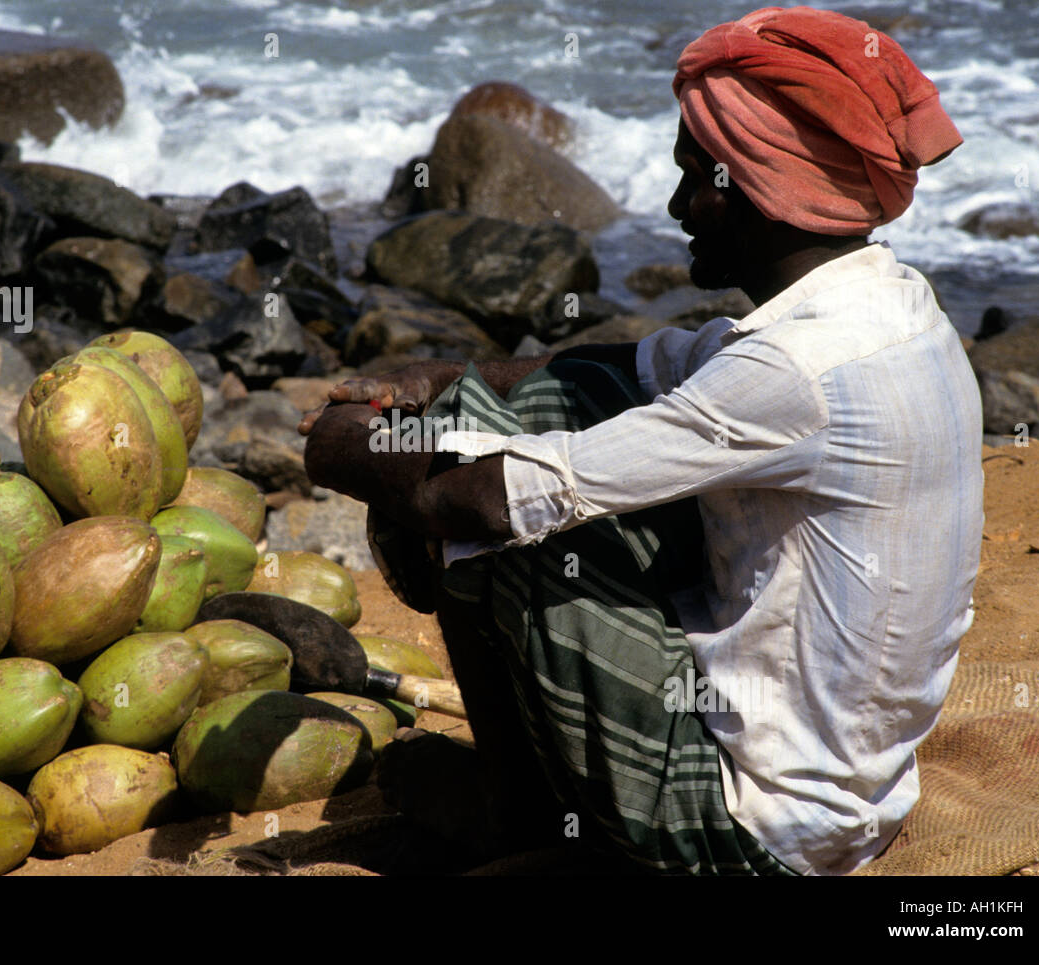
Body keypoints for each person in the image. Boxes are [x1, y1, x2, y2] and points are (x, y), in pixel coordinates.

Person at [298, 6, 983, 875]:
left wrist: (341, 446)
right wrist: (439, 379)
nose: (674, 206)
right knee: (555, 406)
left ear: (758, 185)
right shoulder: (893, 309)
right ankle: (544, 792)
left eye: (697, 178)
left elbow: (480, 497)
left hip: (758, 832)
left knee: (502, 516)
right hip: (856, 798)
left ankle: (525, 815)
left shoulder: (793, 374)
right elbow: (630, 367)